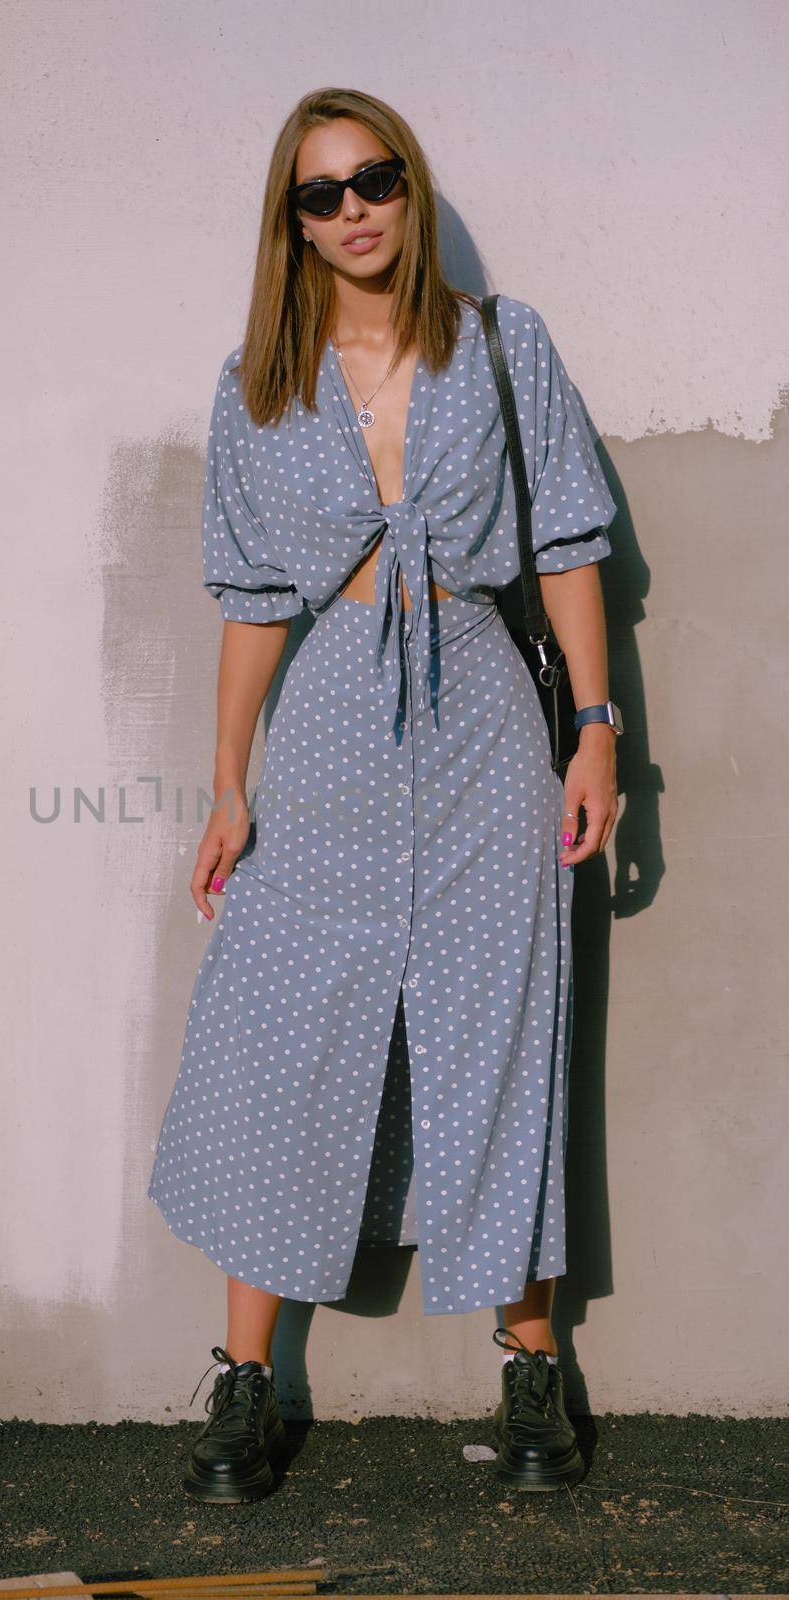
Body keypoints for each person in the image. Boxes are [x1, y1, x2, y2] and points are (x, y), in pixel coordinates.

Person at [146, 86, 621, 1503]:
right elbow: (248, 605)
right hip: (335, 721)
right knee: (282, 1036)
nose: (353, 209)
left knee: (499, 1028)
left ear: (409, 192)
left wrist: (594, 732)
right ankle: (244, 1384)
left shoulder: (500, 344)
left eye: (376, 179)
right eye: (321, 193)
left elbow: (567, 545)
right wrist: (228, 787)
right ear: (288, 221)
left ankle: (530, 1365)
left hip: (482, 712)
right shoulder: (255, 386)